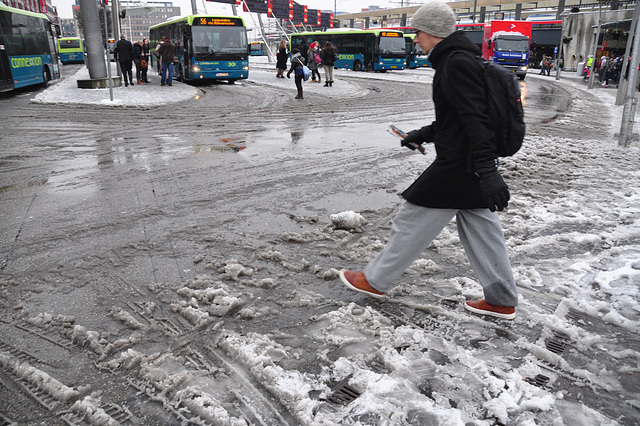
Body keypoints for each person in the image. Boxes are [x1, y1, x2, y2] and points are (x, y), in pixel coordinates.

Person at [338, 0, 518, 320]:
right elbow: (456, 118)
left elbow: (475, 120)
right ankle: (501, 299)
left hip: (461, 165)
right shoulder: (457, 60)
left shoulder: (455, 64)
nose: (415, 39)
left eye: (417, 32)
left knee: (412, 217)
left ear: (433, 32)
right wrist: (422, 133)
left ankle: (375, 280)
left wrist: (487, 170)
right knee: (484, 230)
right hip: (468, 163)